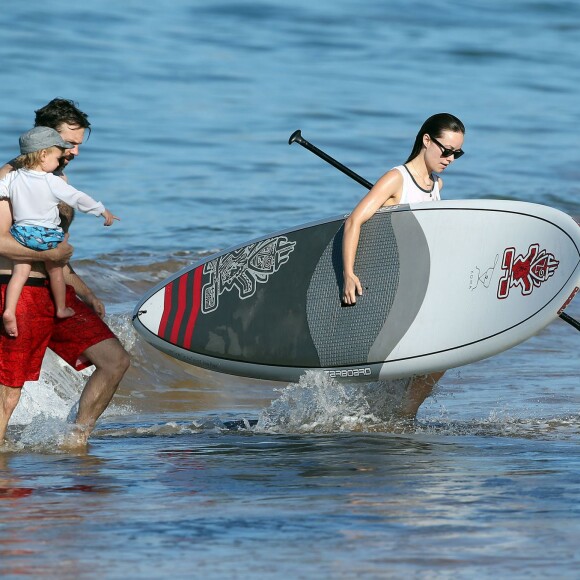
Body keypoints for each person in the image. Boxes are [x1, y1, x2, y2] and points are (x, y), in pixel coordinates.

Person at [0, 98, 130, 447]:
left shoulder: (58, 180)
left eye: (78, 145)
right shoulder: (10, 178)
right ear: (43, 138)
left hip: (57, 291)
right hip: (19, 291)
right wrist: (54, 251)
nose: (73, 151)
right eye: (68, 143)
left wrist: (84, 290)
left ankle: (76, 441)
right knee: (9, 391)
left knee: (114, 360)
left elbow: (57, 251)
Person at [341, 113, 465, 418]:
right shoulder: (396, 179)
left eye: (457, 153)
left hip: (419, 287)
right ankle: (398, 418)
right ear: (426, 140)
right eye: (446, 150)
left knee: (443, 354)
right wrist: (348, 273)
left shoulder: (437, 185)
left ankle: (401, 416)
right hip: (392, 290)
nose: (450, 158)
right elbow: (354, 221)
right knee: (432, 355)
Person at [1, 126, 119, 338]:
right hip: (46, 236)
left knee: (20, 273)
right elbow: (79, 198)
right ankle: (61, 307)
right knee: (56, 269)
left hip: (21, 234)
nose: (60, 161)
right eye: (57, 157)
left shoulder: (12, 178)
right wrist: (102, 210)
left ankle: (9, 310)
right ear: (44, 155)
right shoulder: (52, 181)